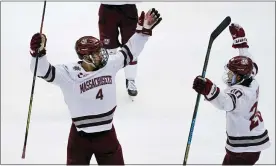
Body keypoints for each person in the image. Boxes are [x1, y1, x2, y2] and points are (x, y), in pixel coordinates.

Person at [29, 8, 162, 165]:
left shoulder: (110, 64)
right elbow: (41, 70)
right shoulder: (68, 73)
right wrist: (38, 53)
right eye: (97, 53)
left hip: (107, 135)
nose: (102, 54)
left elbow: (130, 50)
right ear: (86, 57)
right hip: (80, 137)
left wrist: (142, 32)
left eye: (100, 50)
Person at [192, 23, 270, 165]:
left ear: (240, 77)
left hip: (244, 147)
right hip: (251, 142)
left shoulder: (241, 93)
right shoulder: (251, 81)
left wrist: (208, 88)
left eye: (232, 74)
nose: (228, 76)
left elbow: (225, 102)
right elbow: (250, 62)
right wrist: (241, 42)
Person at [98, 2, 140, 98]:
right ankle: (108, 81)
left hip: (129, 8)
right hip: (107, 7)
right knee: (109, 49)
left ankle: (130, 79)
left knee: (131, 48)